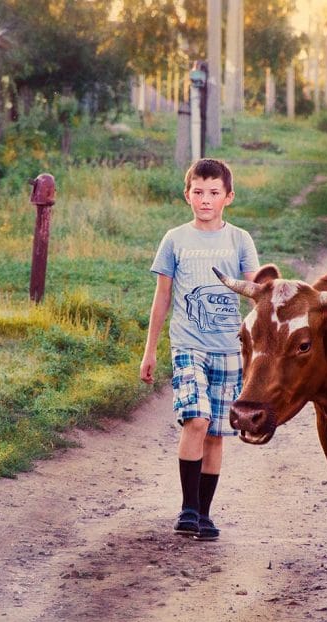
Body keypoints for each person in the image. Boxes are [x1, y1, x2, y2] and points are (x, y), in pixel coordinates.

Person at [139, 158, 260, 541]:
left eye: (213, 193)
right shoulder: (175, 239)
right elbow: (162, 298)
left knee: (216, 434)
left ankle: (204, 515)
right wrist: (149, 351)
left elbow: (258, 296)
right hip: (188, 345)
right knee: (197, 419)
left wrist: (261, 351)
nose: (205, 200)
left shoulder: (239, 240)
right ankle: (188, 508)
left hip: (228, 349)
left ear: (228, 197)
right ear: (186, 194)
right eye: (198, 192)